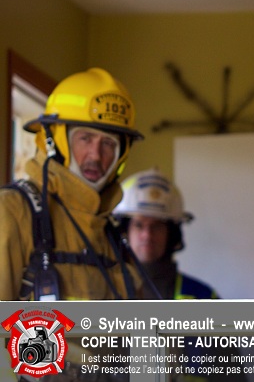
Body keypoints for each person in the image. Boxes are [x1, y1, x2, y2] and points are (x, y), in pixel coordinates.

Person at [0, 67, 144, 301]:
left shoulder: (112, 233)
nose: (96, 155)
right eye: (85, 138)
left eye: (108, 144)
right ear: (53, 140)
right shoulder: (11, 212)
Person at [113, 168, 219, 300]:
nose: (147, 235)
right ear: (125, 231)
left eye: (157, 226)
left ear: (171, 234)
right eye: (139, 225)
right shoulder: (103, 290)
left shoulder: (202, 296)